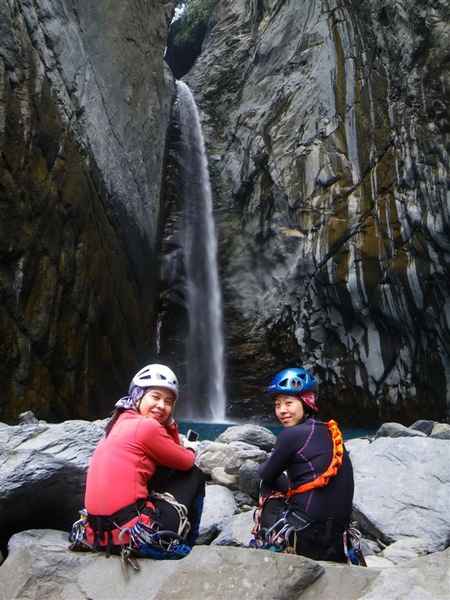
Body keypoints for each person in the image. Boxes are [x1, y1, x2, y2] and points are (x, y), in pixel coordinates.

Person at [70, 364, 205, 567]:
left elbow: (168, 458)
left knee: (162, 470)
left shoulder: (119, 422)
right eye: (155, 397)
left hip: (96, 535)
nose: (162, 406)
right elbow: (185, 461)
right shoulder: (147, 427)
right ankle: (186, 546)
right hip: (131, 535)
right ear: (138, 396)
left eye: (168, 402)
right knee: (194, 474)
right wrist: (184, 441)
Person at [250, 367, 357, 563]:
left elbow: (266, 473)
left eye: (288, 403)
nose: (282, 410)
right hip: (337, 542)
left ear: (307, 402)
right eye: (277, 405)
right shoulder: (332, 434)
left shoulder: (291, 435)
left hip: (304, 538)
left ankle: (269, 550)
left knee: (267, 483)